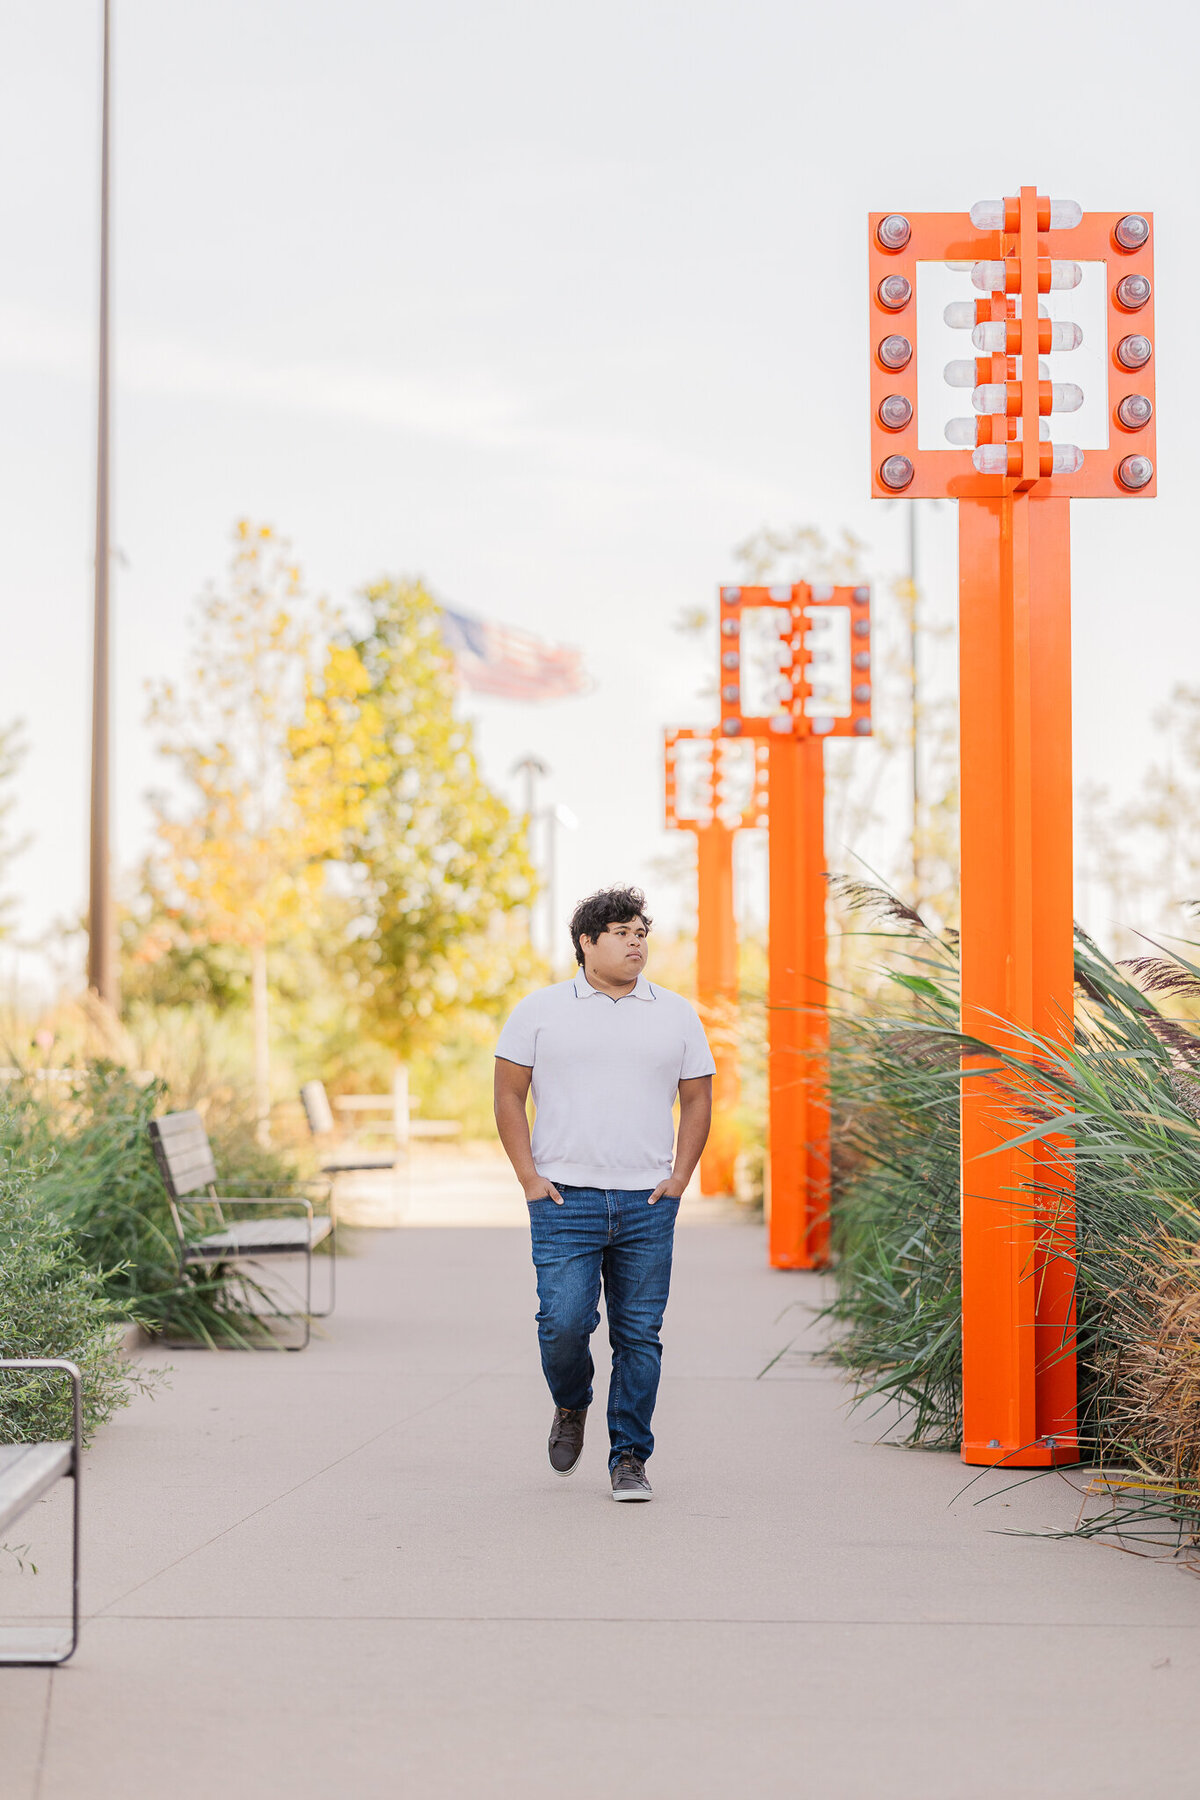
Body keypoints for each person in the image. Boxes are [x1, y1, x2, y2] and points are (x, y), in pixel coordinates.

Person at [493, 885, 714, 1502]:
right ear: (586, 943)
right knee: (562, 1325)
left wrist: (679, 1179)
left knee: (639, 1333)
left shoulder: (676, 1013)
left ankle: (629, 1457)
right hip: (565, 1199)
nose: (635, 940)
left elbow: (698, 1097)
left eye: (641, 930)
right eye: (620, 931)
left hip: (647, 1201)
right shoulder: (538, 1010)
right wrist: (529, 1179)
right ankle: (571, 1403)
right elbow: (508, 1095)